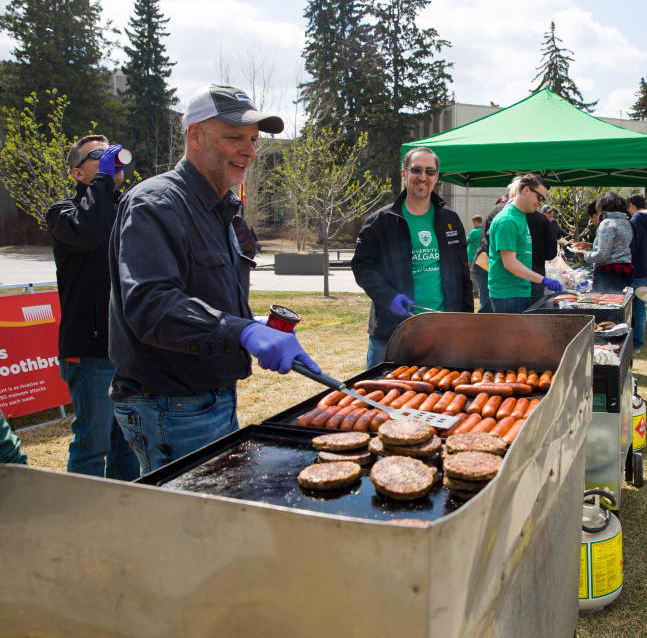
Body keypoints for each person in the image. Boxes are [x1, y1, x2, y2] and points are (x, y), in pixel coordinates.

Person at [108, 84, 320, 474]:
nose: (250, 151)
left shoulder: (217, 207)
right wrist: (241, 333)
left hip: (210, 397)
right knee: (187, 529)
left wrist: (255, 325)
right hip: (171, 404)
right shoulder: (155, 204)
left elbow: (204, 296)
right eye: (234, 138)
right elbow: (151, 306)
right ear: (195, 135)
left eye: (254, 141)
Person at [46, 134, 138, 480]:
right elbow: (89, 231)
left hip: (125, 350)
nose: (107, 160)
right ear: (77, 173)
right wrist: (103, 179)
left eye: (109, 153)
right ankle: (80, 522)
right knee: (92, 444)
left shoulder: (125, 207)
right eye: (96, 157)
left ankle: (122, 517)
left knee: (127, 443)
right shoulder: (61, 213)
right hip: (88, 352)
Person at [353, 146, 473, 367]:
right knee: (380, 395)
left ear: (437, 177)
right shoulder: (381, 221)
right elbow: (362, 268)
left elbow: (462, 275)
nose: (423, 177)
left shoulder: (450, 220)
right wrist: (389, 297)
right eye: (416, 170)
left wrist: (466, 321)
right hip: (393, 332)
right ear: (404, 173)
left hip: (443, 331)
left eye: (430, 171)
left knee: (439, 397)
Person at [488, 174, 562, 313]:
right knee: (511, 335)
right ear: (526, 190)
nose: (541, 202)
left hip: (521, 290)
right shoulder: (508, 220)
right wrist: (543, 280)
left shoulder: (520, 216)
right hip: (508, 294)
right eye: (539, 197)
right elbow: (510, 263)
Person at [583, 192, 633, 293]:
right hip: (625, 271)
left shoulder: (606, 223)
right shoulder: (626, 223)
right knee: (619, 305)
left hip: (608, 274)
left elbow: (602, 255)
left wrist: (585, 255)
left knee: (604, 307)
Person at [627, 193, 647, 349]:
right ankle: (638, 343)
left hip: (635, 268)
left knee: (631, 307)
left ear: (632, 205)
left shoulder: (634, 222)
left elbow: (631, 248)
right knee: (641, 307)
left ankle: (634, 342)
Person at [527, 196, 559, 304]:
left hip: (511, 281)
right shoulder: (541, 220)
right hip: (536, 272)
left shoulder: (506, 216)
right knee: (534, 312)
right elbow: (551, 253)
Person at [467, 214, 483, 301]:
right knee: (481, 275)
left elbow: (467, 241)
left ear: (476, 222)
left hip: (472, 257)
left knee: (472, 275)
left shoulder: (474, 232)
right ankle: (480, 291)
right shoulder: (485, 230)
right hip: (482, 257)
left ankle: (475, 292)